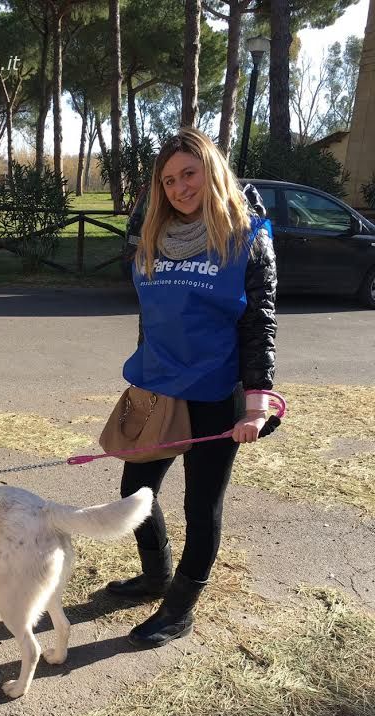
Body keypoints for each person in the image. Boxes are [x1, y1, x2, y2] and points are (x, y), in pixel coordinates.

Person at [107, 127, 277, 649]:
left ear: (211, 170)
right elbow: (150, 317)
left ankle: (180, 607)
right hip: (158, 387)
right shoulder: (153, 235)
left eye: (189, 174)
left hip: (214, 393)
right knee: (135, 491)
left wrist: (256, 398)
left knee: (201, 507)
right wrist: (142, 376)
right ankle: (155, 575)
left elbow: (259, 323)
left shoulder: (247, 236)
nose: (180, 188)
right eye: (169, 180)